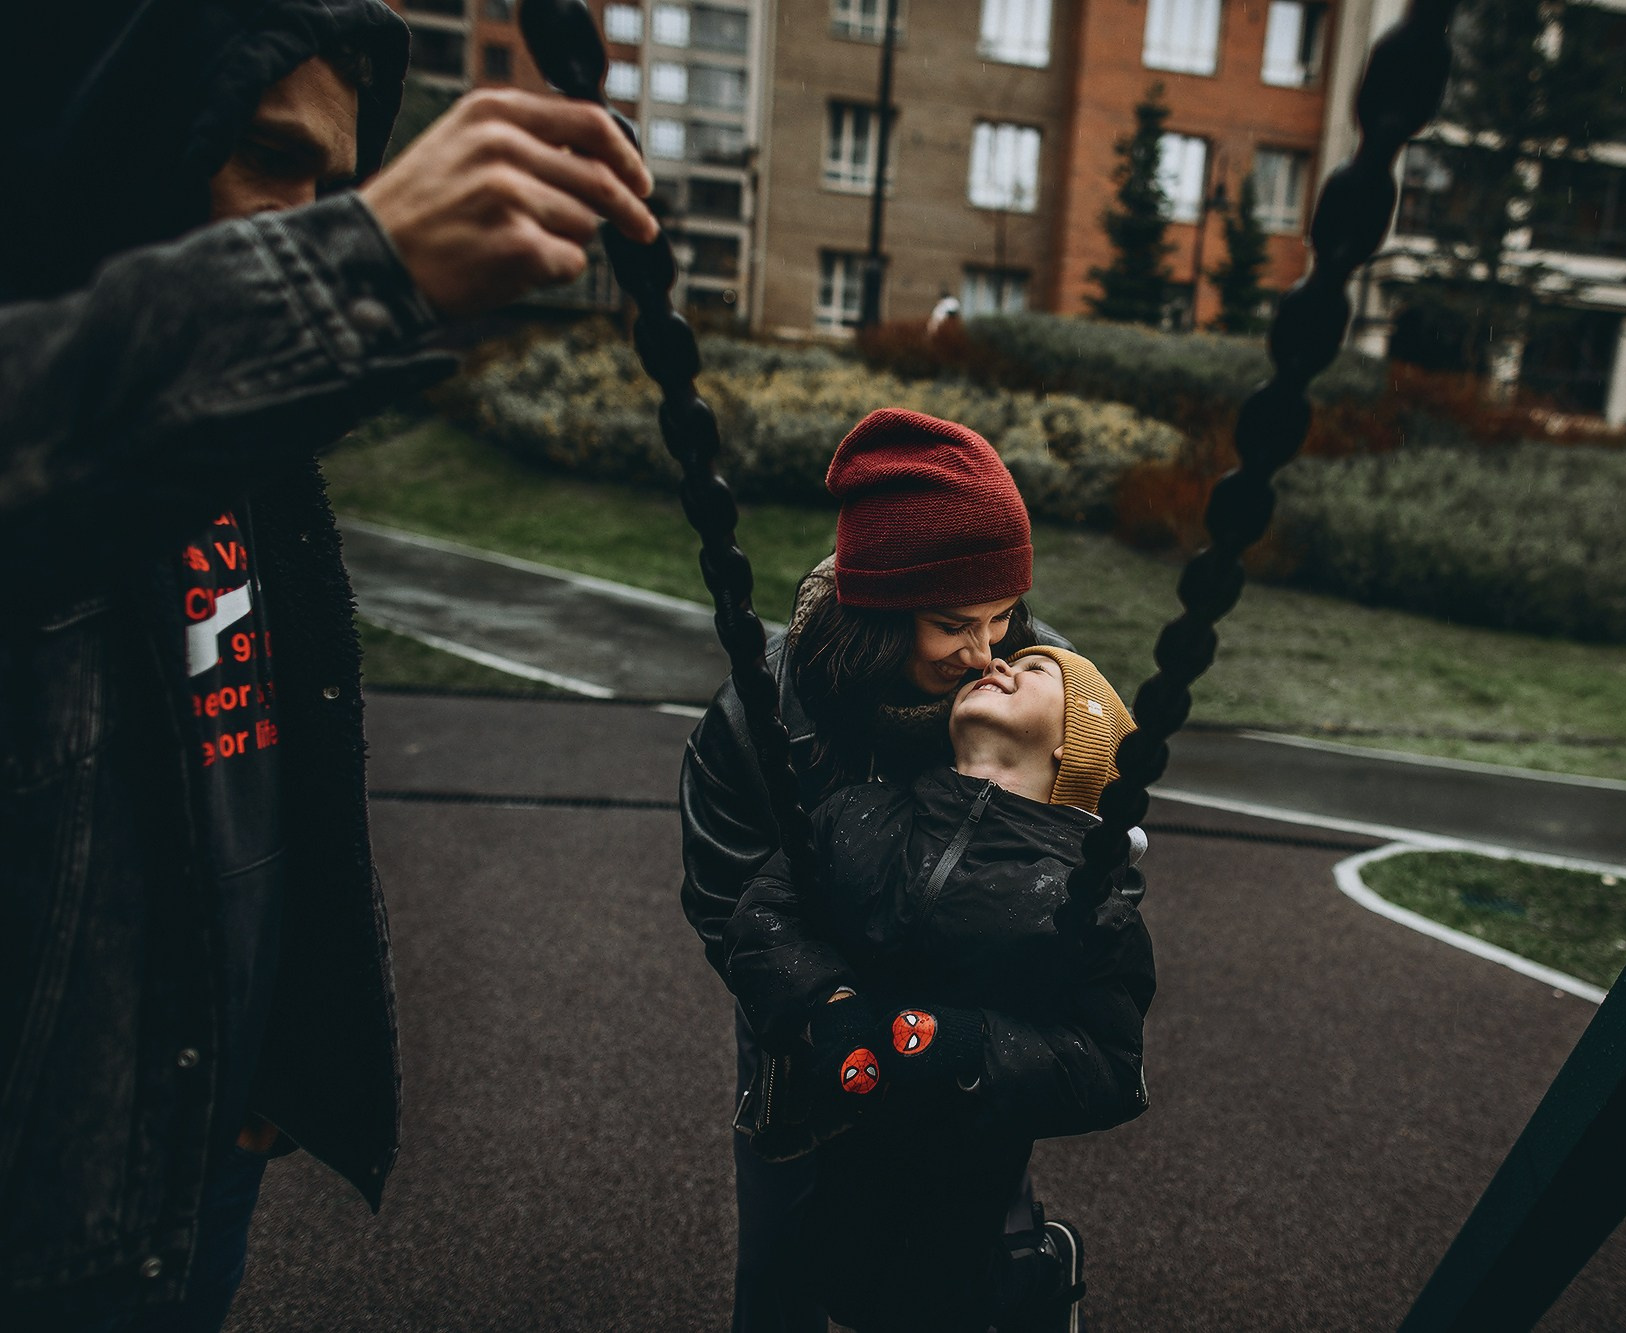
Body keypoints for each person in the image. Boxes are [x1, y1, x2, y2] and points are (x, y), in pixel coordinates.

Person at [0, 2, 658, 1327]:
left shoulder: (245, 453)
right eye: (268, 156)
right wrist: (356, 266)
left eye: (332, 184)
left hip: (196, 1153)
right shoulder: (76, 414)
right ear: (120, 141)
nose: (307, 212)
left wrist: (264, 1082)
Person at [681, 408, 1129, 1331]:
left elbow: (1090, 856)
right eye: (954, 624)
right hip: (807, 1027)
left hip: (961, 1032)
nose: (986, 654)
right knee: (785, 1251)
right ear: (877, 614)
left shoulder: (1028, 696)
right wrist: (832, 1011)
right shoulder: (758, 723)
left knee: (959, 1258)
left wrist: (973, 1036)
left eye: (1004, 618)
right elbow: (729, 898)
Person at [725, 645, 1154, 1333]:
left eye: (1038, 671)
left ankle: (1034, 1272)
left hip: (966, 1167)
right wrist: (828, 1002)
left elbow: (1110, 1065)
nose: (1001, 665)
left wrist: (971, 1044)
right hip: (850, 1125)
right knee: (833, 1273)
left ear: (1078, 743)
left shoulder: (1082, 903)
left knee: (942, 1299)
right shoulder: (859, 815)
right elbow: (762, 913)